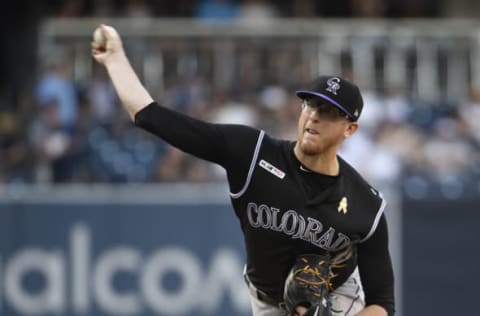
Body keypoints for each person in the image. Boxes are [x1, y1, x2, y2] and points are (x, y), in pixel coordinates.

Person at [91, 24, 395, 316]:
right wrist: (115, 60)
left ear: (350, 129)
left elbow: (382, 303)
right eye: (309, 105)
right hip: (268, 301)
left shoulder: (365, 205)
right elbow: (152, 117)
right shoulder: (252, 154)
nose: (314, 117)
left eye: (327, 112)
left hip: (337, 300)